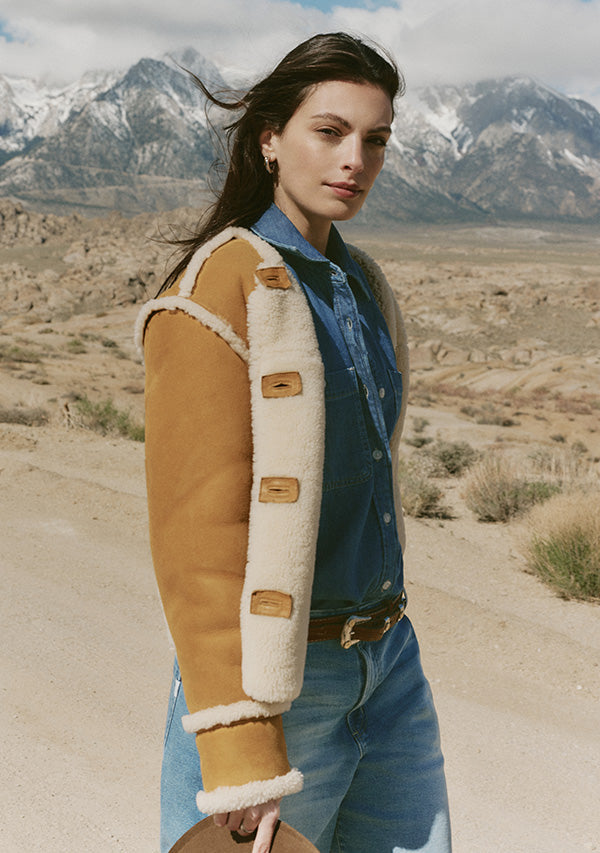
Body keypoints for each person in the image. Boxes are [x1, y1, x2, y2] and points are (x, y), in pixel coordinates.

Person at [136, 32, 451, 853]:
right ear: (270, 138)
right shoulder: (216, 290)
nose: (356, 158)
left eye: (375, 139)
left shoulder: (366, 285)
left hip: (389, 666)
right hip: (278, 684)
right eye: (330, 131)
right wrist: (242, 746)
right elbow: (194, 545)